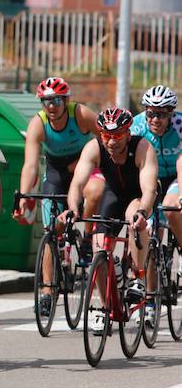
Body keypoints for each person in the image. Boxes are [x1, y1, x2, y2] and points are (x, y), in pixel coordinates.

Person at [59, 107, 158, 332]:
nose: (111, 142)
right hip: (112, 194)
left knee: (133, 218)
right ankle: (105, 308)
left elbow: (149, 188)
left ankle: (138, 278)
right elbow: (77, 184)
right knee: (98, 251)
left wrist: (143, 212)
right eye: (106, 136)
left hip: (139, 195)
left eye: (117, 136)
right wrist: (74, 209)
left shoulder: (142, 147)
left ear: (127, 134)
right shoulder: (94, 147)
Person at [14, 76, 104, 319]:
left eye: (56, 101)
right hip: (56, 171)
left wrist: (86, 160)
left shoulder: (81, 114)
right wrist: (25, 195)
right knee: (50, 231)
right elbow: (31, 165)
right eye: (45, 101)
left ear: (66, 100)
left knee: (91, 193)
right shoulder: (38, 123)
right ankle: (46, 290)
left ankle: (85, 237)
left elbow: (105, 139)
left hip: (84, 164)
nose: (51, 106)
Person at [131, 85, 182, 245]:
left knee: (170, 208)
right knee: (150, 230)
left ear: (171, 114)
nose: (154, 119)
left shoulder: (179, 125)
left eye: (160, 115)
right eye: (150, 113)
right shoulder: (137, 126)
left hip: (176, 176)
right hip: (152, 177)